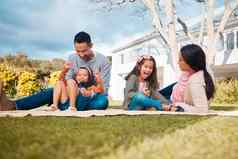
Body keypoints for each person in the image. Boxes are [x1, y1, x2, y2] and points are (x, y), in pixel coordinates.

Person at [0, 31, 111, 111]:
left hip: (90, 96)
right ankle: (13, 105)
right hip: (72, 94)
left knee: (102, 102)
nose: (81, 55)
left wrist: (89, 92)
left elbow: (104, 90)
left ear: (91, 46)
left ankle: (64, 105)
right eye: (78, 51)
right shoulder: (72, 58)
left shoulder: (103, 61)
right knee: (52, 90)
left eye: (84, 51)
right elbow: (66, 81)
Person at [168, 44, 215, 113]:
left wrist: (179, 105)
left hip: (172, 101)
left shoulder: (195, 81)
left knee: (151, 95)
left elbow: (202, 110)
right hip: (173, 95)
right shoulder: (190, 73)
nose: (178, 62)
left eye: (180, 60)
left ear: (190, 61)